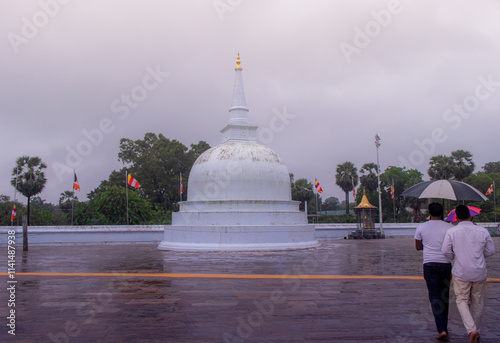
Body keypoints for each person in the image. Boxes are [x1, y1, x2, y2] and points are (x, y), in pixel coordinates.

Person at [442, 205, 496, 343]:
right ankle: (476, 332)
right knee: (477, 302)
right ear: (471, 216)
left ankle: (471, 329)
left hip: (461, 271)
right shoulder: (482, 231)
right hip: (479, 271)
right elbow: (491, 251)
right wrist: (477, 256)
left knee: (462, 300)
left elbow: (445, 251)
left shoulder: (452, 231)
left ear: (457, 218)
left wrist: (454, 258)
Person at [414, 202, 453, 341]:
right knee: (445, 295)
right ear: (442, 212)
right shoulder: (449, 227)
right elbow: (452, 247)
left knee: (435, 296)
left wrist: (429, 246)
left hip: (429, 264)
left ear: (429, 213)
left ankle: (442, 328)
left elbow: (418, 247)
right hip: (445, 264)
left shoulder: (422, 227)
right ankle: (444, 326)